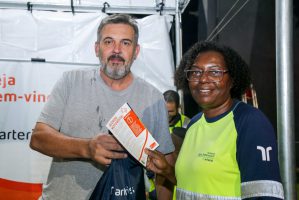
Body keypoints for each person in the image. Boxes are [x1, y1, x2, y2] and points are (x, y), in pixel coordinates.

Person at [30, 14, 175, 200]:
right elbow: (38, 138)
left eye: (125, 43)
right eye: (108, 42)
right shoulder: (71, 81)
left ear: (136, 51)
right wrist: (87, 148)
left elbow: (165, 169)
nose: (116, 50)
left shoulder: (153, 98)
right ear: (97, 48)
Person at [145, 41, 284, 199]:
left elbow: (263, 194)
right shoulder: (194, 124)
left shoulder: (250, 122)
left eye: (215, 72)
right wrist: (167, 171)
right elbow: (196, 183)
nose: (203, 79)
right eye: (196, 72)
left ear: (232, 80)